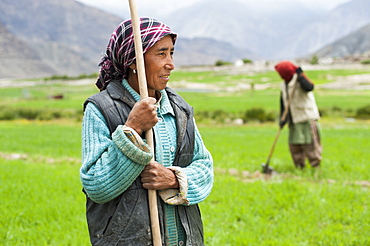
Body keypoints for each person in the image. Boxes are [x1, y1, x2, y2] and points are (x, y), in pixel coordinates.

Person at [80, 17, 214, 246]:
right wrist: (133, 128)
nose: (170, 63)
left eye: (172, 53)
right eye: (161, 54)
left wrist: (173, 179)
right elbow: (96, 185)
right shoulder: (101, 109)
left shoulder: (179, 109)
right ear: (134, 61)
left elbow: (204, 168)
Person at [274, 61, 322, 169]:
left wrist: (301, 74)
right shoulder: (283, 85)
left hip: (306, 117)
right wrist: (283, 119)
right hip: (294, 119)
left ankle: (315, 166)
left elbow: (310, 87)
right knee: (295, 145)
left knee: (310, 144)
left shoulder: (299, 80)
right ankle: (299, 167)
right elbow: (283, 103)